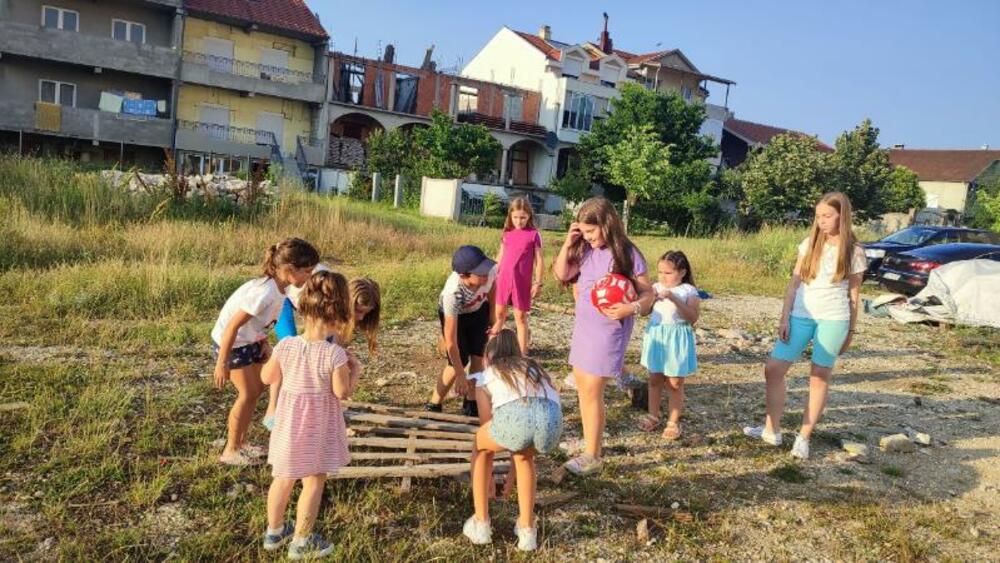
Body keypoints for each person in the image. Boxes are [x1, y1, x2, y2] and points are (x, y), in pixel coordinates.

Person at [743, 192, 866, 460]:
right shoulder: (809, 244)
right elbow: (794, 283)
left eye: (827, 216)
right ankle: (771, 429)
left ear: (842, 216)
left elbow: (854, 296)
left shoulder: (854, 251)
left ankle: (804, 436)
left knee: (819, 376)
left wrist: (851, 332)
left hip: (834, 318)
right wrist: (784, 316)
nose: (821, 221)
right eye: (818, 215)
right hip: (800, 315)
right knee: (774, 368)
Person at [260, 270, 360, 559]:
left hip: (288, 426)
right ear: (337, 317)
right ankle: (301, 542)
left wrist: (274, 355)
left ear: (304, 311)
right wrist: (355, 372)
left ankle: (274, 532)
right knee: (314, 481)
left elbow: (268, 377)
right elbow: (341, 392)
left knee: (282, 478)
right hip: (317, 428)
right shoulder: (334, 355)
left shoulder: (286, 345)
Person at [552, 197, 655, 476]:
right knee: (584, 388)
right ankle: (590, 444)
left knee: (592, 391)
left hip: (610, 330)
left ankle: (593, 456)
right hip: (584, 327)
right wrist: (569, 242)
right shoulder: (584, 249)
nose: (588, 237)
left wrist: (629, 307)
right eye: (583, 232)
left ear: (607, 225)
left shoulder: (628, 253)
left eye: (591, 232)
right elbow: (562, 273)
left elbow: (649, 295)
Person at [211, 238, 318, 466]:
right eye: (306, 271)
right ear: (289, 270)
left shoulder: (284, 287)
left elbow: (263, 322)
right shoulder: (264, 293)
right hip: (231, 344)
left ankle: (241, 442)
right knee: (248, 394)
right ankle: (230, 450)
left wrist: (263, 341)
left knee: (258, 388)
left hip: (249, 340)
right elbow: (231, 326)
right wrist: (222, 362)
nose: (309, 276)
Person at [463, 329, 562, 551]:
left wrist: (487, 478)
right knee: (525, 458)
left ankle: (481, 523)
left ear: (488, 356)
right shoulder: (535, 368)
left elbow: (488, 430)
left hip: (517, 420)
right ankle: (527, 531)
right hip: (552, 422)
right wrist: (510, 479)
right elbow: (522, 437)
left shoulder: (487, 376)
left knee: (480, 446)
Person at [264, 275, 381, 429]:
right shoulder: (326, 302)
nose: (361, 317)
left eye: (366, 313)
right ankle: (272, 409)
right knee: (291, 356)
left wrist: (338, 355)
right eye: (358, 311)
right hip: (286, 301)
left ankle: (314, 406)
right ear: (346, 303)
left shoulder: (339, 307)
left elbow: (333, 345)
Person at [426, 245, 496, 417]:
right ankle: (434, 403)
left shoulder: (489, 272)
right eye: (480, 273)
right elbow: (451, 342)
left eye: (485, 269)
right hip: (457, 317)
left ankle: (471, 402)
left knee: (478, 356)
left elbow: (493, 289)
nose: (486, 274)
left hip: (479, 311)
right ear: (464, 275)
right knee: (458, 361)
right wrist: (460, 375)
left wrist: (494, 318)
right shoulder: (452, 294)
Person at [637, 251, 700, 440]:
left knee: (674, 382)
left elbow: (692, 317)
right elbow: (644, 312)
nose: (663, 277)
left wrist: (673, 298)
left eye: (668, 273)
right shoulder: (655, 287)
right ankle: (653, 414)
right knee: (655, 378)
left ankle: (673, 420)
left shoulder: (688, 291)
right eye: (660, 272)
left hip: (677, 337)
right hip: (657, 334)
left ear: (682, 272)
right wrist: (652, 298)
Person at [492, 197, 544, 354]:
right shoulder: (507, 233)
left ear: (529, 216)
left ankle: (522, 355)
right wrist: (491, 276)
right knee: (499, 315)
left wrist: (538, 282)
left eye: (523, 217)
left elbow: (539, 261)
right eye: (515, 217)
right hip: (503, 279)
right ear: (510, 216)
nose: (519, 221)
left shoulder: (534, 235)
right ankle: (491, 351)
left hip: (521, 282)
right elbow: (500, 256)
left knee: (520, 318)